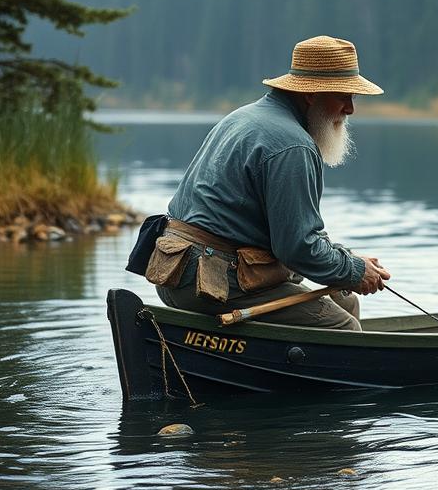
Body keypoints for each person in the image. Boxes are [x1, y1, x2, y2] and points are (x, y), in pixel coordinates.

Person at [141, 35, 389, 330]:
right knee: (344, 327)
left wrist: (348, 261)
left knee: (346, 301)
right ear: (312, 95)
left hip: (176, 273)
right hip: (211, 283)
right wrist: (355, 270)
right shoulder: (293, 146)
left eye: (353, 98)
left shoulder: (243, 117)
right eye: (342, 96)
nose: (350, 109)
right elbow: (297, 249)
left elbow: (293, 237)